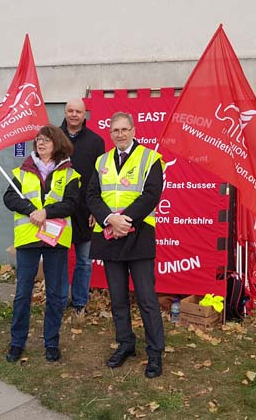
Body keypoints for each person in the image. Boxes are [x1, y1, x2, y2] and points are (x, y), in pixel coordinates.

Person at [87, 112, 165, 378]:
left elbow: (152, 194)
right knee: (117, 298)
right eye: (115, 130)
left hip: (139, 236)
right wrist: (110, 219)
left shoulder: (150, 158)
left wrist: (125, 220)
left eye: (124, 129)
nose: (119, 134)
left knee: (146, 299)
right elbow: (92, 195)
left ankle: (155, 353)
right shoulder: (101, 161)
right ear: (110, 133)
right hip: (110, 236)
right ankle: (125, 344)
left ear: (133, 130)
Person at [3, 125, 81, 363]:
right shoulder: (22, 170)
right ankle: (17, 342)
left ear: (56, 143)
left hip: (56, 241)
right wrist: (31, 210)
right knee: (22, 293)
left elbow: (71, 204)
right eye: (38, 140)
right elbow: (9, 197)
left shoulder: (70, 173)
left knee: (56, 294)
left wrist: (46, 211)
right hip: (28, 238)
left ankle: (52, 342)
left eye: (46, 140)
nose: (41, 143)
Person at [60, 98, 105, 316]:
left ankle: (79, 302)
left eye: (78, 111)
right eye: (70, 110)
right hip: (58, 211)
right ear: (65, 112)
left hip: (86, 211)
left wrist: (96, 211)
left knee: (84, 261)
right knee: (57, 259)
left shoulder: (96, 142)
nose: (74, 114)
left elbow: (100, 180)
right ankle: (58, 300)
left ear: (85, 114)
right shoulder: (53, 137)